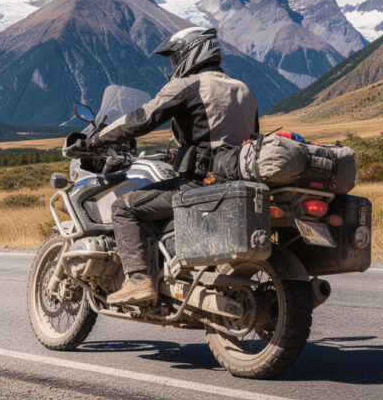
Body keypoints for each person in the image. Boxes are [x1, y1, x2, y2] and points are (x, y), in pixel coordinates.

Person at [83, 27, 259, 306]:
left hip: (201, 183)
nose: (174, 66)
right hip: (239, 182)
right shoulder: (243, 89)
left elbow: (142, 118)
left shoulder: (189, 85)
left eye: (176, 58)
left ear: (192, 53)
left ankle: (138, 280)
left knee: (125, 208)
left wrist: (97, 138)